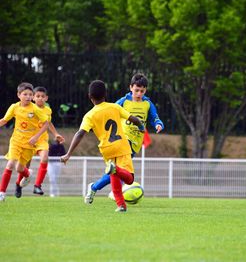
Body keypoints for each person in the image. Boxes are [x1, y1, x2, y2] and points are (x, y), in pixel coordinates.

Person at [60, 80, 145, 212]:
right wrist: (141, 127)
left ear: (90, 97)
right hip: (122, 146)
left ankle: (121, 205)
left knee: (114, 178)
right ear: (106, 94)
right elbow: (134, 119)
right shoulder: (114, 107)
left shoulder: (89, 115)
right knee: (129, 179)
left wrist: (68, 153)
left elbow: (80, 134)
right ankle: (115, 171)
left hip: (107, 149)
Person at [86, 73, 164, 203]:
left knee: (119, 170)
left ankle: (95, 187)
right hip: (123, 140)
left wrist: (158, 124)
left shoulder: (148, 104)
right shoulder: (123, 102)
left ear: (145, 90)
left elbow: (154, 117)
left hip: (135, 143)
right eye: (136, 90)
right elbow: (109, 111)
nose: (139, 93)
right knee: (121, 170)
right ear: (130, 88)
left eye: (142, 91)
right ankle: (110, 192)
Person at [0, 82, 49, 202]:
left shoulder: (35, 109)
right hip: (16, 141)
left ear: (32, 96)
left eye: (30, 94)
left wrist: (36, 137)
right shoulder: (14, 107)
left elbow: (46, 123)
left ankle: (28, 174)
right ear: (19, 95)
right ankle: (2, 192)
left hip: (29, 144)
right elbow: (4, 120)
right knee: (11, 164)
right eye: (25, 94)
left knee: (20, 169)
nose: (28, 97)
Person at [14, 86, 65, 198]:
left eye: (42, 96)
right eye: (37, 96)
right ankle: (18, 185)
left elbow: (49, 123)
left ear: (46, 98)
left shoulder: (48, 110)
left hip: (41, 140)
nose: (40, 98)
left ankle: (37, 186)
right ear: (33, 98)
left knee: (45, 157)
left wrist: (56, 134)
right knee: (25, 165)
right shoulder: (29, 108)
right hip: (29, 140)